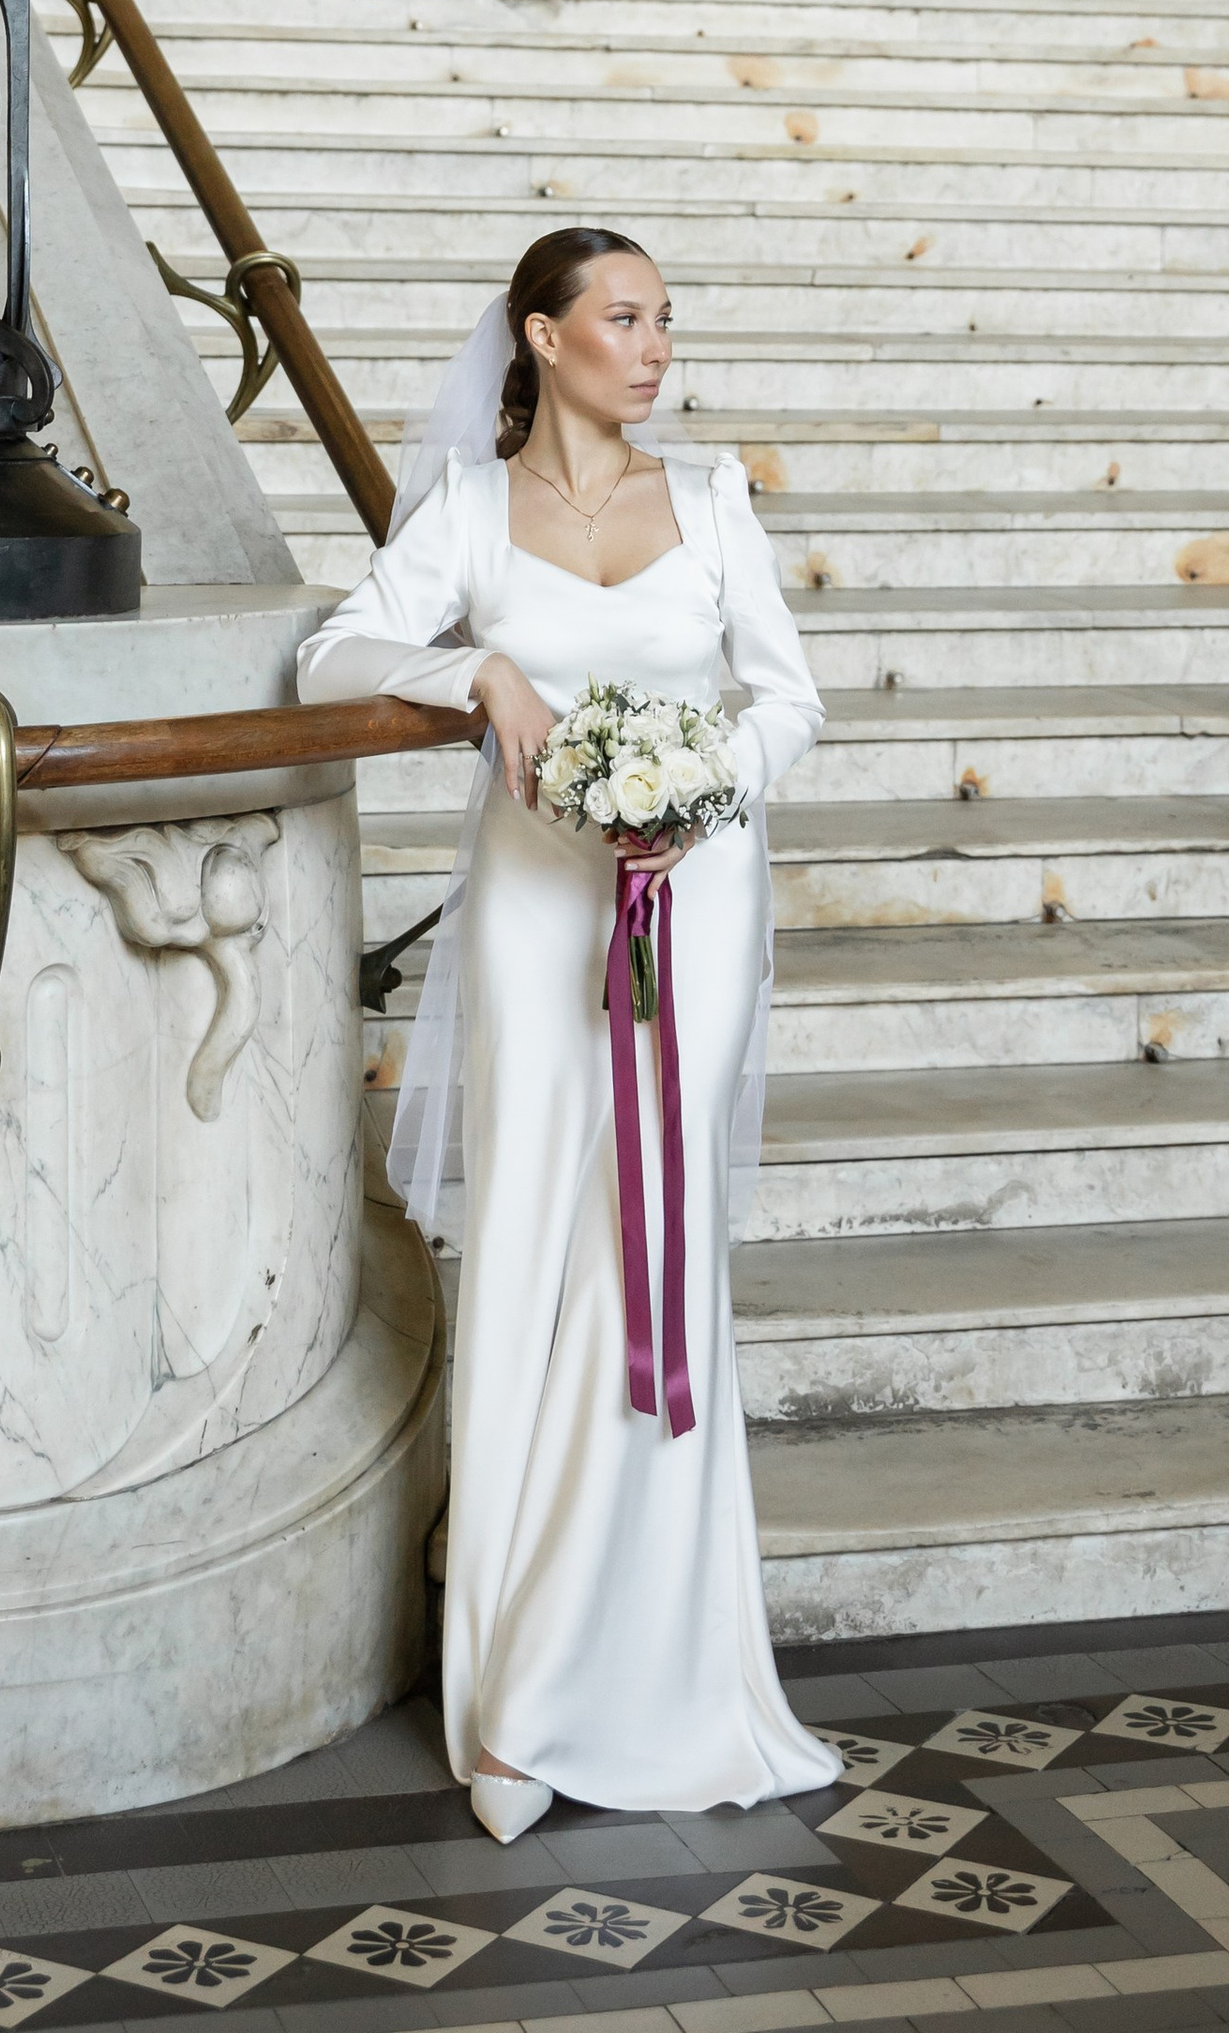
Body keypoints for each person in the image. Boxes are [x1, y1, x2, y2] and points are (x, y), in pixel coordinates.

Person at [296, 226, 837, 1834]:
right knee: (534, 1239)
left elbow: (789, 699)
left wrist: (703, 795)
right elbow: (332, 654)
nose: (656, 348)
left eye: (667, 321)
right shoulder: (467, 513)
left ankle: (611, 1675)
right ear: (542, 338)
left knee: (646, 1254)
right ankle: (511, 1683)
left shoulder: (715, 500)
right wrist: (480, 673)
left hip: (701, 900)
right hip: (542, 914)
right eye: (624, 319)